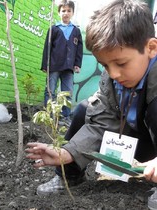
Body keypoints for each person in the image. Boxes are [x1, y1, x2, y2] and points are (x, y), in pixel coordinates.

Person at [26, 0, 157, 196]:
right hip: (135, 139)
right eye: (105, 65)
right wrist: (67, 152)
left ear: (151, 48)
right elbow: (100, 122)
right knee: (85, 109)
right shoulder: (112, 80)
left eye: (121, 63)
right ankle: (70, 177)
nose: (113, 74)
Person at [41, 1, 83, 127]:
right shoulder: (54, 29)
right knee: (50, 91)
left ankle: (65, 116)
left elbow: (79, 50)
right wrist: (45, 65)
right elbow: (46, 48)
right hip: (54, 65)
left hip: (69, 67)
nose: (66, 13)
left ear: (72, 13)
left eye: (69, 11)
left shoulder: (76, 31)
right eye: (63, 11)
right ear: (59, 12)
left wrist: (77, 64)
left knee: (67, 93)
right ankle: (48, 115)